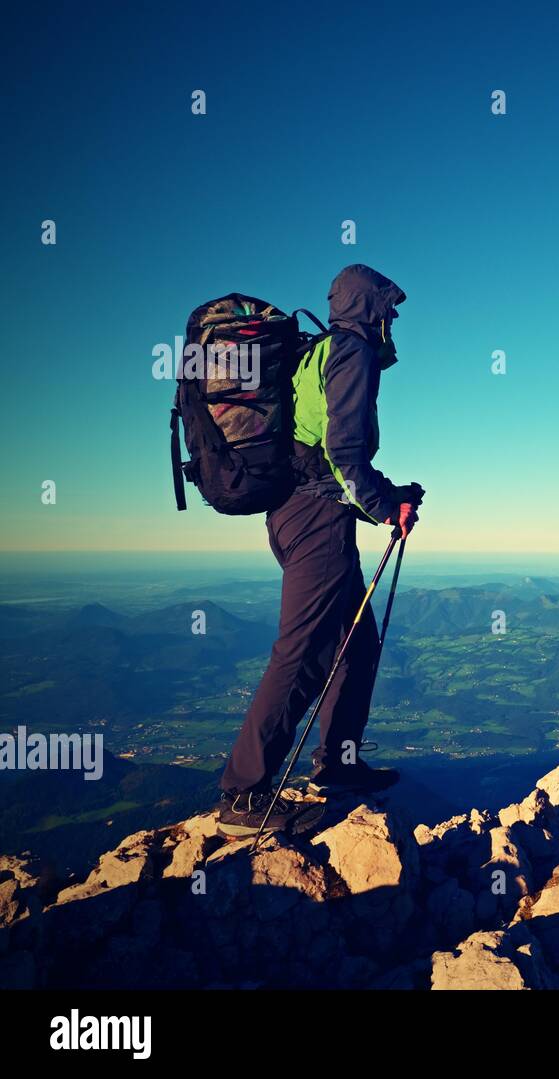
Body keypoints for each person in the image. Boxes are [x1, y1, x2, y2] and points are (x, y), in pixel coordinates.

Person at [216, 264, 422, 837]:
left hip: (297, 513)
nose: (395, 318)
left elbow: (328, 459)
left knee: (356, 641)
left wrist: (389, 496)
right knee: (304, 651)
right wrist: (385, 507)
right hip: (316, 521)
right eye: (390, 306)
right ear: (369, 307)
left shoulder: (318, 352)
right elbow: (344, 453)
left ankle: (340, 764)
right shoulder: (350, 352)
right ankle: (244, 792)